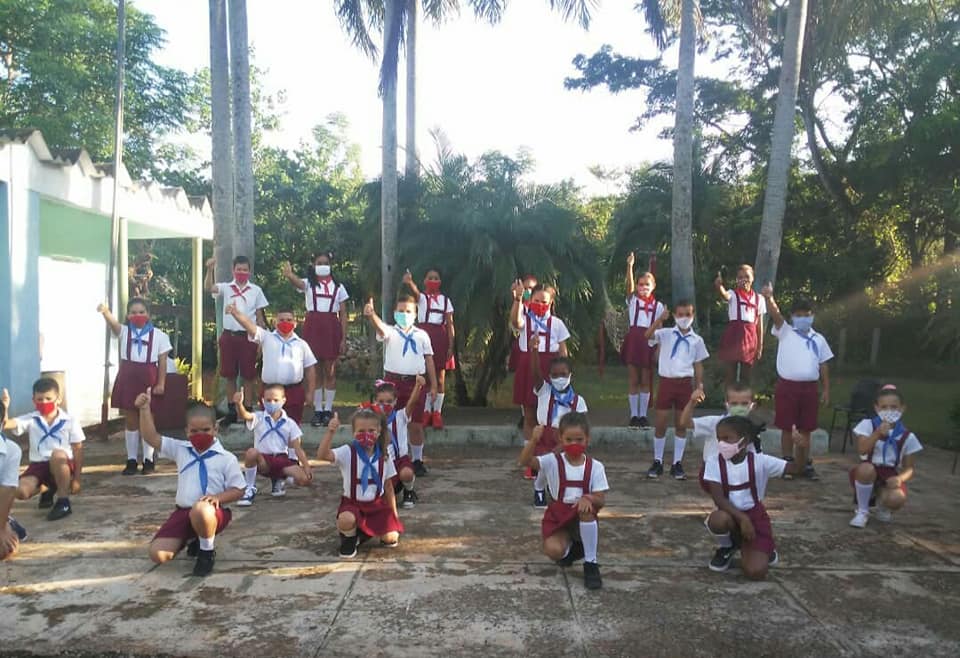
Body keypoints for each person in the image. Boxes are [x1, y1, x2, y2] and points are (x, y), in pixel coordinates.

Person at [137, 388, 245, 577]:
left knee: (201, 509)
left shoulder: (226, 458)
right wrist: (145, 409)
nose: (200, 434)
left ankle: (206, 551)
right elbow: (151, 437)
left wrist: (218, 497)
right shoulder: (181, 449)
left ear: (215, 429)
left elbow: (239, 489)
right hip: (183, 512)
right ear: (186, 431)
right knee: (157, 554)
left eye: (206, 430)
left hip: (212, 512)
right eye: (194, 431)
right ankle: (193, 536)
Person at [703, 416, 802, 579]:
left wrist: (801, 448)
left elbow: (796, 469)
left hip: (755, 517)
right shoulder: (714, 462)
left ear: (744, 441)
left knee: (755, 572)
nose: (721, 444)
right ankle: (728, 546)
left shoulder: (759, 461)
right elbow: (719, 499)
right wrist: (742, 519)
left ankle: (761, 549)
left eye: (727, 439)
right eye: (719, 439)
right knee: (717, 519)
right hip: (731, 515)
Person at [518, 412, 608, 590]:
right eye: (569, 440)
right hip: (559, 515)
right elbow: (525, 461)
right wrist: (533, 440)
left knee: (587, 510)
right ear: (560, 439)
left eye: (579, 439)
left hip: (582, 514)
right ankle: (574, 550)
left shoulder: (595, 467)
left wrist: (588, 497)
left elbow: (601, 499)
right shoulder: (552, 461)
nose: (574, 444)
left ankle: (591, 563)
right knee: (553, 550)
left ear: (587, 439)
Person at [761, 284, 833, 480]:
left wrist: (826, 389)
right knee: (787, 426)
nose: (803, 318)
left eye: (807, 314)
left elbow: (824, 364)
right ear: (793, 316)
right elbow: (776, 316)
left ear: (812, 315)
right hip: (787, 386)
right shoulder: (786, 332)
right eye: (799, 314)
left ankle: (804, 462)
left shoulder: (818, 339)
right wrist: (769, 298)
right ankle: (787, 461)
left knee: (806, 427)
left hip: (809, 388)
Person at [363, 295, 438, 477]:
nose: (404, 314)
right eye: (401, 311)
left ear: (415, 314)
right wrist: (372, 315)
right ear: (395, 313)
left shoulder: (422, 335)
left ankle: (417, 460)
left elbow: (429, 360)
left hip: (416, 383)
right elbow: (381, 329)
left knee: (416, 423)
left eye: (408, 311)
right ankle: (388, 456)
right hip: (393, 383)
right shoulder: (391, 332)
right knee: (389, 421)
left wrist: (434, 384)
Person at [98, 298, 172, 475]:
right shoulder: (124, 332)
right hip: (128, 376)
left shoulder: (159, 335)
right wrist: (105, 312)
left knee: (148, 419)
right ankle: (131, 459)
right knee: (131, 420)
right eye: (133, 312)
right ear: (127, 315)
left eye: (141, 312)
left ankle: (148, 459)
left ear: (148, 314)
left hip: (149, 377)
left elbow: (162, 362)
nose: (137, 315)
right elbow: (113, 324)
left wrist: (161, 383)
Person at [317, 409, 404, 559]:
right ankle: (349, 538)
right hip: (353, 504)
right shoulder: (347, 452)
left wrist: (394, 514)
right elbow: (323, 455)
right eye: (361, 431)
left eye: (371, 430)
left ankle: (361, 536)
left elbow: (389, 487)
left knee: (391, 539)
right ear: (353, 432)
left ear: (378, 431)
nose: (366, 434)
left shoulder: (384, 456)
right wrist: (330, 432)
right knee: (346, 520)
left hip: (376, 505)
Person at [281, 253, 349, 427]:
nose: (323, 265)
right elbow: (298, 283)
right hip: (313, 326)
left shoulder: (339, 287)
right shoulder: (309, 284)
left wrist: (343, 338)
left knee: (330, 370)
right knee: (316, 370)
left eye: (326, 263)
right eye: (319, 263)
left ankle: (328, 409)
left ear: (331, 265)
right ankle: (318, 410)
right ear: (314, 265)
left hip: (331, 327)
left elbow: (343, 315)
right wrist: (289, 275)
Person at [2, 379, 84, 521]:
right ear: (33, 400)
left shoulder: (69, 420)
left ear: (58, 399)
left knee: (57, 455)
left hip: (62, 465)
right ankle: (46, 488)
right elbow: (7, 424)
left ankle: (63, 501)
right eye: (40, 399)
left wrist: (77, 478)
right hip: (39, 465)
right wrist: (5, 408)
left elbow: (78, 448)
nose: (44, 402)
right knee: (20, 491)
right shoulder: (31, 419)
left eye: (48, 399)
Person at [225, 302, 317, 426]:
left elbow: (310, 369)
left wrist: (310, 393)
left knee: (292, 428)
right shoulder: (266, 337)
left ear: (295, 323)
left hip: (294, 392)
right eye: (282, 320)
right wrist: (235, 313)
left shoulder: (302, 344)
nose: (285, 322)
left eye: (289, 320)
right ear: (275, 322)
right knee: (268, 426)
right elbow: (250, 326)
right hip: (270, 391)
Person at [645, 301, 708, 480]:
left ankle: (677, 463)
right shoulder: (665, 334)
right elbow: (647, 336)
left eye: (687, 314)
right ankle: (657, 461)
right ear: (674, 316)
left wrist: (699, 384)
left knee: (681, 423)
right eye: (680, 314)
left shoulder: (697, 340)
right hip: (666, 381)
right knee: (661, 422)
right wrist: (659, 320)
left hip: (685, 384)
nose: (684, 318)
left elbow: (698, 364)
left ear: (693, 315)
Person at [205, 255, 269, 425]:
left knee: (248, 375)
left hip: (248, 337)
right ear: (233, 270)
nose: (242, 272)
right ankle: (232, 410)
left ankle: (248, 410)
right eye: (239, 269)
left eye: (245, 270)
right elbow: (209, 288)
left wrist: (261, 341)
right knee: (230, 375)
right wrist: (210, 269)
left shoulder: (255, 290)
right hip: (229, 336)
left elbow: (259, 316)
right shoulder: (226, 288)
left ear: (249, 271)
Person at [848, 385, 922, 529]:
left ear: (902, 408)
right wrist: (877, 434)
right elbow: (862, 450)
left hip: (889, 474)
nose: (889, 411)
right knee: (865, 469)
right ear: (876, 408)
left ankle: (884, 505)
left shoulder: (908, 436)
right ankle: (862, 511)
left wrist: (900, 479)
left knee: (897, 499)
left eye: (894, 407)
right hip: (868, 470)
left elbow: (910, 468)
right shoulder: (868, 425)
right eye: (884, 407)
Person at [529, 334, 588, 508]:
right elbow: (535, 373)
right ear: (549, 376)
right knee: (547, 461)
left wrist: (566, 443)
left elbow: (583, 428)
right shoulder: (544, 390)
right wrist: (534, 350)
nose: (559, 378)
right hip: (545, 436)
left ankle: (561, 490)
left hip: (567, 438)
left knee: (564, 463)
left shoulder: (578, 401)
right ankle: (539, 487)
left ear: (570, 375)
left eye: (563, 374)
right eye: (555, 375)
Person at [510, 280, 570, 445]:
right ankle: (530, 457)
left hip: (551, 368)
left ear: (551, 302)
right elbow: (515, 322)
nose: (540, 305)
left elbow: (563, 349)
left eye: (544, 302)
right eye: (536, 301)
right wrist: (518, 299)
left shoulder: (557, 324)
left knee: (550, 412)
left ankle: (549, 450)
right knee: (529, 413)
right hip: (528, 365)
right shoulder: (525, 318)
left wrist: (564, 374)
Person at [234, 386, 313, 506]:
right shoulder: (259, 417)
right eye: (268, 400)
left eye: (276, 400)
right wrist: (239, 405)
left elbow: (298, 448)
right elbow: (246, 415)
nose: (272, 403)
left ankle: (280, 479)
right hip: (264, 460)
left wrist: (306, 467)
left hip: (282, 460)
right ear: (263, 400)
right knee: (251, 453)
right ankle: (249, 488)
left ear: (283, 400)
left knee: (304, 479)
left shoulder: (289, 423)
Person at [676, 382, 761, 492]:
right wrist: (692, 402)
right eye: (734, 404)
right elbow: (684, 423)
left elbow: (756, 459)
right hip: (713, 475)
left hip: (738, 476)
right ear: (726, 404)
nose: (739, 407)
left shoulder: (753, 430)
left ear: (752, 405)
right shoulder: (715, 422)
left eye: (744, 404)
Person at [403, 268, 456, 430]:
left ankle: (437, 412)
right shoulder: (422, 299)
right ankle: (425, 411)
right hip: (423, 336)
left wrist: (451, 345)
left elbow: (450, 324)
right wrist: (409, 281)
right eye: (430, 277)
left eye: (436, 278)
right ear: (425, 280)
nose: (433, 280)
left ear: (440, 281)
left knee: (440, 377)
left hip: (440, 338)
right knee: (424, 374)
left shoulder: (445, 301)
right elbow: (415, 291)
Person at [621, 252, 666, 428]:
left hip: (649, 342)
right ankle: (634, 416)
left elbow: (660, 328)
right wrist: (630, 266)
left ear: (653, 286)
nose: (643, 288)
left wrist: (659, 348)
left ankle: (643, 415)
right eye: (640, 285)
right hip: (634, 341)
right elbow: (628, 287)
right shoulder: (633, 301)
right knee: (633, 379)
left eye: (647, 285)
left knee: (646, 380)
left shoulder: (658, 306)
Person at [370, 377, 424, 509]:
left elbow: (412, 403)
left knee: (407, 473)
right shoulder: (370, 420)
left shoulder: (400, 416)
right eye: (381, 401)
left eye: (389, 401)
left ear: (395, 402)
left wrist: (418, 386)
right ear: (374, 402)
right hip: (381, 462)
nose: (385, 405)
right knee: (380, 501)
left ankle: (409, 491)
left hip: (400, 461)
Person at [715, 265, 766, 388]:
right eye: (740, 277)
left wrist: (760, 346)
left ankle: (744, 404)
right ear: (736, 280)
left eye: (747, 276)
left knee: (746, 376)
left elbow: (759, 324)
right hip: (734, 336)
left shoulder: (759, 299)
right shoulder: (733, 294)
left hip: (750, 338)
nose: (744, 279)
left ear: (752, 278)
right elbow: (725, 295)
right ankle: (729, 403)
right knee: (730, 375)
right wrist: (719, 286)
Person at [510, 274, 539, 430]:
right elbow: (515, 321)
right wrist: (517, 298)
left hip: (541, 354)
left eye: (532, 288)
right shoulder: (522, 307)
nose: (528, 291)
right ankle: (524, 415)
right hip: (524, 352)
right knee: (524, 387)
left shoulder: (544, 307)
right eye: (526, 288)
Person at [0, 402, 26, 559]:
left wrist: (1, 529)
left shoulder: (10, 450)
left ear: (2, 424)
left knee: (6, 550)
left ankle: (7, 523)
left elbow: (7, 490)